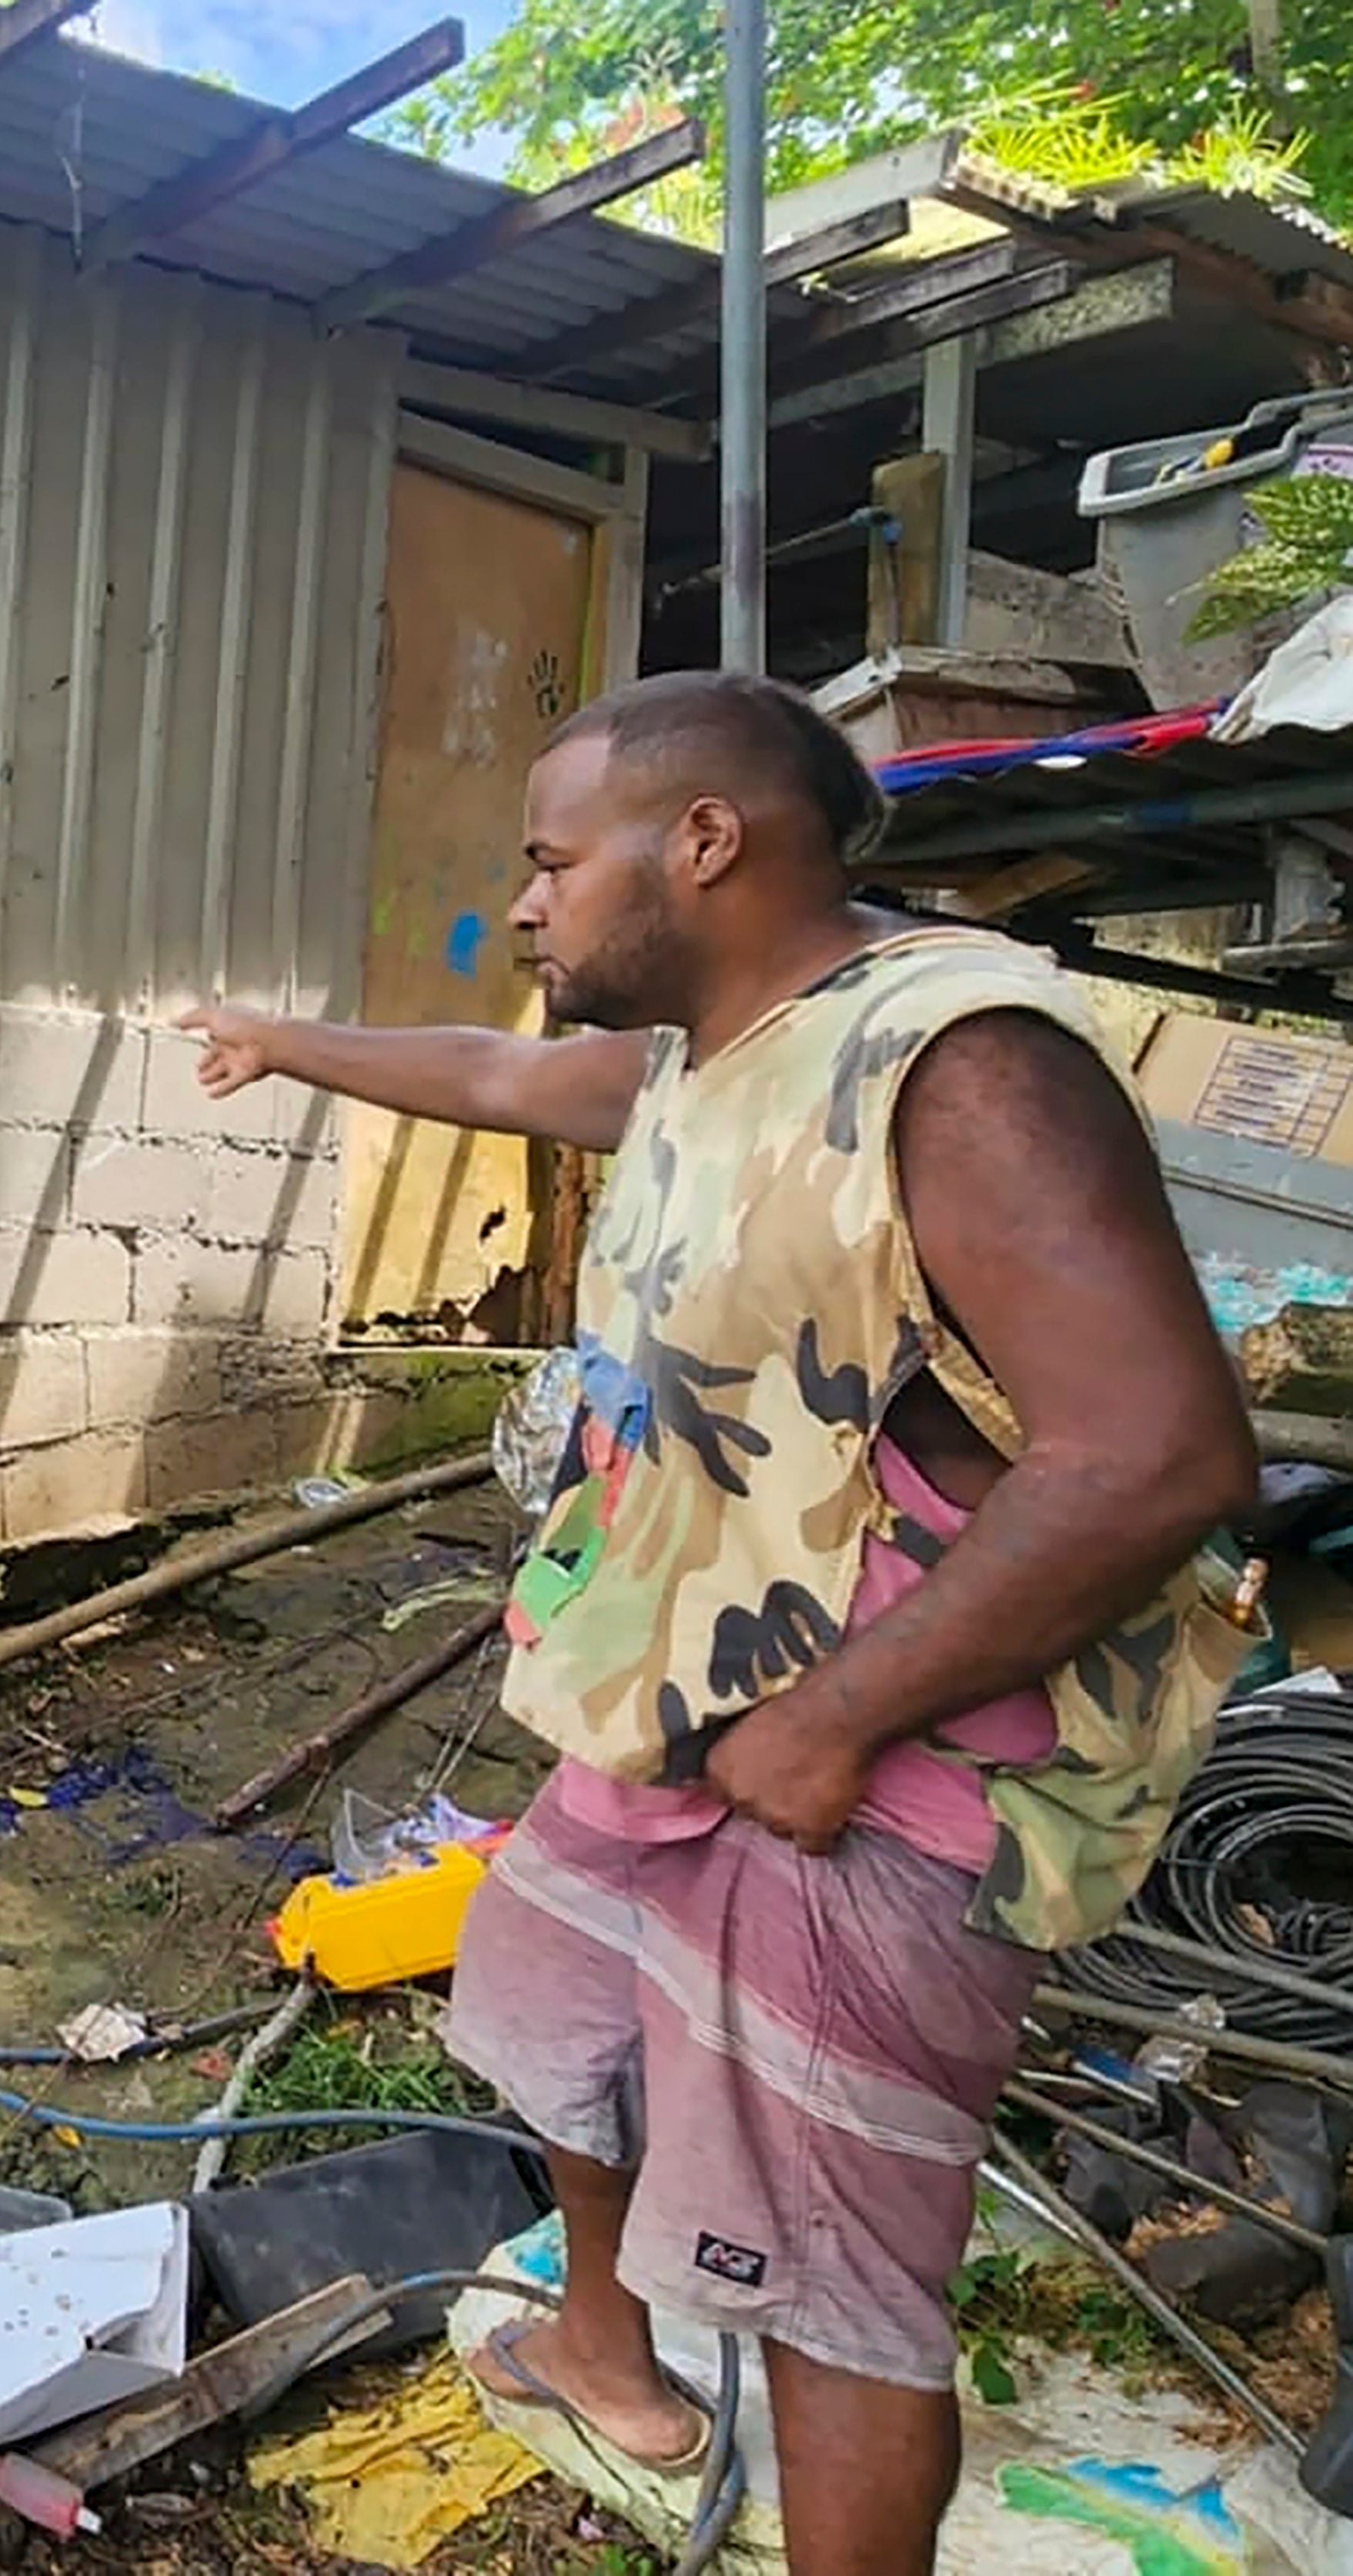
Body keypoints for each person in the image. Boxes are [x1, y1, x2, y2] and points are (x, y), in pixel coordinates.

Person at [179, 670, 1262, 2576]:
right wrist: (279, 1041)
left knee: (831, 2280)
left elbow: (1157, 1453)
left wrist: (836, 1722)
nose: (524, 902)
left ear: (700, 841)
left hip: (891, 1774)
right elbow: (493, 1074)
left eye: (549, 860)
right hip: (678, 1712)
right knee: (556, 2022)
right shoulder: (703, 1056)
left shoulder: (955, 1064)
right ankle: (606, 2353)